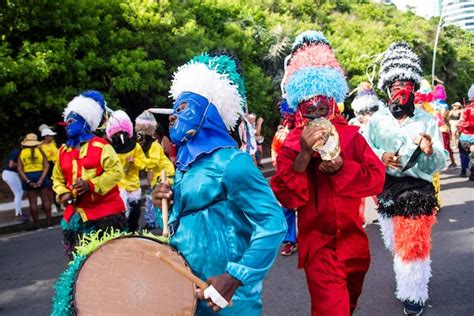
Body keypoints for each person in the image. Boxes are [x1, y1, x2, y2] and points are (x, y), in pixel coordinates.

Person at [153, 52, 286, 314]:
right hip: (188, 295)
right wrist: (163, 205)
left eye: (183, 108)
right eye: (173, 108)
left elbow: (273, 223)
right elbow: (183, 228)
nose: (172, 117)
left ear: (207, 114)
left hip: (228, 301)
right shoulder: (185, 167)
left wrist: (235, 276)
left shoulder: (233, 163)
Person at [271, 31, 386, 315]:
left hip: (355, 243)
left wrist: (343, 168)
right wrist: (304, 155)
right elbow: (287, 197)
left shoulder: (352, 137)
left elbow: (377, 178)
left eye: (323, 105)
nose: (317, 112)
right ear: (299, 106)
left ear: (333, 101)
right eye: (310, 108)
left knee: (349, 301)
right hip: (319, 246)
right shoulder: (292, 142)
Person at [364, 42, 447, 315]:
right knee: (395, 243)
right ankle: (410, 275)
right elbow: (365, 151)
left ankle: (414, 294)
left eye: (406, 86)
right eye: (394, 86)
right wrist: (381, 155)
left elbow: (440, 163)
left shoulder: (427, 121)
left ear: (413, 87)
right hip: (387, 190)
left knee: (412, 246)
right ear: (387, 88)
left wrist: (429, 150)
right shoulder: (377, 121)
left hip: (417, 190)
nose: (400, 91)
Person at [52, 90, 127, 259]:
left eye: (71, 122)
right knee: (79, 267)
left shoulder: (102, 147)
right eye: (66, 123)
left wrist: (90, 185)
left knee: (111, 262)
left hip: (105, 214)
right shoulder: (63, 151)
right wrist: (63, 193)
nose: (67, 126)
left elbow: (116, 172)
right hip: (75, 216)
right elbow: (57, 178)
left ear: (84, 122)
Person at [106, 110, 147, 232]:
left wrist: (134, 161)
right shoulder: (110, 150)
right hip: (119, 188)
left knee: (135, 215)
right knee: (120, 217)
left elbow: (143, 164)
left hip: (133, 187)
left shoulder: (136, 147)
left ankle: (134, 232)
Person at [271, 99, 298, 256]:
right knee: (287, 208)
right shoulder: (281, 134)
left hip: (308, 176)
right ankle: (290, 240)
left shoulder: (310, 131)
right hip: (286, 176)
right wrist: (280, 166)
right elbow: (275, 151)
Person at [17, 133, 52, 229]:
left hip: (29, 175)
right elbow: (47, 166)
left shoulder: (22, 153)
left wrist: (28, 181)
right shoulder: (40, 151)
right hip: (41, 175)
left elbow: (20, 169)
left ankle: (37, 225)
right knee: (46, 200)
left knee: (33, 203)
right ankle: (49, 223)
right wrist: (41, 179)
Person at [38, 124, 61, 212]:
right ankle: (51, 205)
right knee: (49, 187)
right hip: (46, 166)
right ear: (46, 137)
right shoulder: (40, 146)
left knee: (57, 184)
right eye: (51, 136)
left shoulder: (53, 143)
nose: (52, 137)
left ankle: (59, 203)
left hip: (55, 165)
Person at [2, 145, 25, 220]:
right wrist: (22, 164)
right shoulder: (17, 152)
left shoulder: (18, 151)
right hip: (10, 173)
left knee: (19, 192)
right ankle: (18, 214)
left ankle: (19, 212)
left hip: (9, 174)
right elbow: (11, 165)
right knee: (19, 193)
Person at [459, 84, 474, 180]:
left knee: (466, 155)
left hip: (465, 137)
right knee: (469, 155)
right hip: (468, 137)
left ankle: (466, 170)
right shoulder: (468, 109)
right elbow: (462, 123)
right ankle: (469, 171)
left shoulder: (466, 109)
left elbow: (462, 123)